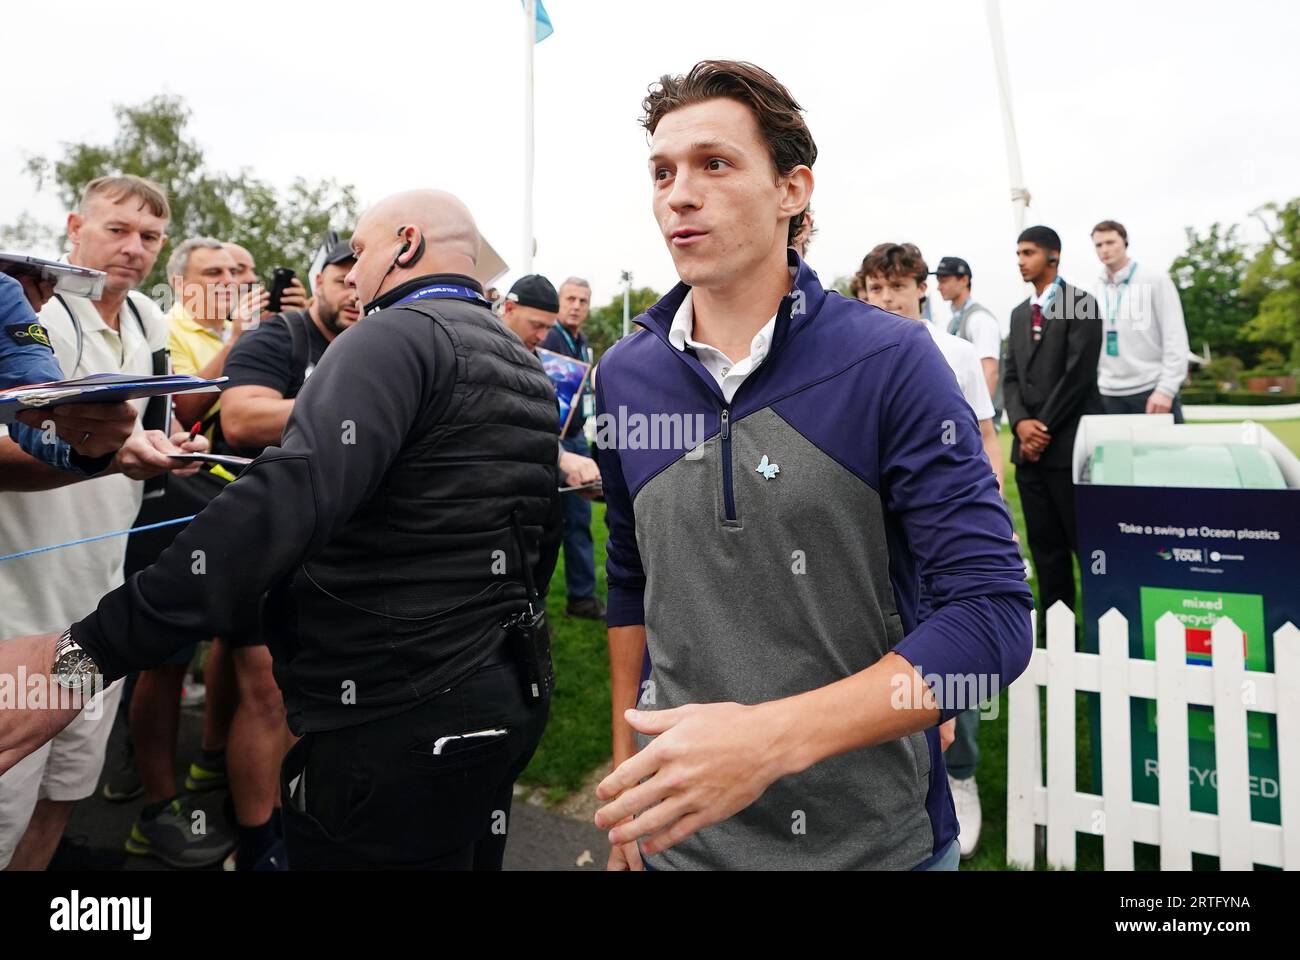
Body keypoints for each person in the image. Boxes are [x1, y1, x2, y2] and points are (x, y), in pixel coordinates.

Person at [0, 189, 564, 871]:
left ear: (406, 245)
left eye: (359, 254)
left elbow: (283, 501)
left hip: (393, 722)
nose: (353, 278)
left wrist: (82, 657)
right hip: (500, 699)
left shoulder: (394, 334)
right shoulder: (522, 362)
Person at [591, 60, 1032, 871]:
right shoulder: (624, 374)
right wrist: (631, 776)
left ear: (793, 190)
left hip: (872, 847)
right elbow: (631, 579)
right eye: (662, 172)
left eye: (714, 164)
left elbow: (995, 620)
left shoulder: (893, 361)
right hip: (680, 847)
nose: (678, 193)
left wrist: (768, 741)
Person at [0, 174, 205, 870]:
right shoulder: (31, 308)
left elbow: (150, 430)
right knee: (6, 801)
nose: (133, 248)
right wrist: (110, 458)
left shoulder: (151, 318)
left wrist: (175, 449)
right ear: (73, 228)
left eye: (149, 236)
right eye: (116, 230)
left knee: (63, 795)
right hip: (16, 610)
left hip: (100, 607)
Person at [212, 234, 357, 870]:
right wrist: (346, 405)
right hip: (261, 536)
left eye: (365, 278)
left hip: (333, 548)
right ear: (319, 280)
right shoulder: (280, 337)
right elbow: (240, 419)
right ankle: (254, 842)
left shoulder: (371, 347)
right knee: (268, 694)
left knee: (307, 695)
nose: (354, 291)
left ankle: (288, 819)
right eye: (341, 278)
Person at [858, 242, 1003, 861]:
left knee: (956, 651)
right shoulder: (853, 353)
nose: (887, 298)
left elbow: (985, 435)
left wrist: (991, 511)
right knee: (887, 654)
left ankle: (960, 775)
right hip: (874, 544)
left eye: (898, 286)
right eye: (875, 288)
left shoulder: (958, 355)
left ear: (922, 288)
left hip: (943, 539)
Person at [114, 237, 245, 868]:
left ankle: (189, 767)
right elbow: (186, 406)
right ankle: (154, 806)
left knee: (223, 648)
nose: (228, 280)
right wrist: (242, 340)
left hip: (228, 505)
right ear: (181, 282)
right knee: (160, 661)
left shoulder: (250, 326)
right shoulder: (165, 326)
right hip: (167, 507)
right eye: (212, 272)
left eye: (235, 271)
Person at [1003, 225, 1103, 622]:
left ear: (1053, 256)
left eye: (1028, 253)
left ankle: (1101, 628)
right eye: (1018, 254)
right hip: (1029, 455)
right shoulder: (1016, 314)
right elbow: (1011, 376)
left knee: (1085, 543)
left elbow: (1079, 377)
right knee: (1045, 547)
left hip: (1068, 448)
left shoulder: (1082, 304)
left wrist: (1041, 428)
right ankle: (1056, 627)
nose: (1020, 262)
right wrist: (1022, 424)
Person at [498, 275, 603, 509]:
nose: (542, 336)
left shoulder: (578, 342)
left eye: (582, 301)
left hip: (566, 438)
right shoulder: (497, 350)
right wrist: (560, 456)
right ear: (509, 308)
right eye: (537, 326)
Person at [539, 277, 605, 620]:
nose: (577, 305)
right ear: (559, 302)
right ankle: (535, 610)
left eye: (583, 299)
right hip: (550, 436)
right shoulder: (548, 337)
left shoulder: (580, 342)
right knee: (544, 522)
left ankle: (581, 598)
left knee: (579, 520)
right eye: (570, 298)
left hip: (575, 434)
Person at [1091, 220, 1190, 421]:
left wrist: (1167, 389)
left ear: (1125, 242)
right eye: (1099, 245)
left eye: (1110, 242)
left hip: (1152, 391)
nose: (1105, 249)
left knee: (1166, 453)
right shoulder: (1095, 288)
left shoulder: (1155, 280)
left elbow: (1175, 337)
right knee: (1113, 453)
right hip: (1109, 393)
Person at [934, 256, 1003, 420]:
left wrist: (973, 419)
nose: (938, 286)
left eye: (944, 280)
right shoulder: (953, 321)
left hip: (977, 418)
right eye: (938, 280)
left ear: (964, 280)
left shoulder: (980, 318)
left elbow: (990, 371)